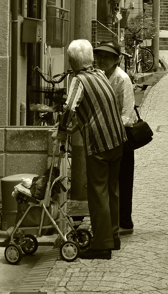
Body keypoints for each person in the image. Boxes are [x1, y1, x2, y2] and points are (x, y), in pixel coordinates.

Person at [56, 39, 126, 260]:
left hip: (99, 143)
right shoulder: (100, 75)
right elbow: (93, 110)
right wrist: (75, 127)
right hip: (117, 140)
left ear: (72, 61)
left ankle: (102, 245)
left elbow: (70, 107)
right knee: (111, 190)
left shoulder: (79, 80)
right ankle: (113, 237)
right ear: (90, 59)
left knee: (97, 193)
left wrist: (61, 130)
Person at [93, 41, 136, 235]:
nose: (101, 59)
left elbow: (127, 113)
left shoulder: (122, 79)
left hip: (122, 135)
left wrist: (111, 129)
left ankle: (125, 222)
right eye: (99, 55)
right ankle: (111, 220)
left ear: (116, 60)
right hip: (105, 135)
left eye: (107, 56)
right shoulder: (99, 76)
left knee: (123, 180)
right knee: (110, 181)